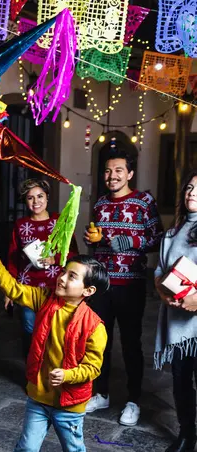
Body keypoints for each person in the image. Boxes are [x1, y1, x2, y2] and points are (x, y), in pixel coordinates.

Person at [0, 247, 109, 452]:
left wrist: (68, 375)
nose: (62, 278)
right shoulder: (44, 299)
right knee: (26, 449)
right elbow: (15, 289)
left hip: (70, 403)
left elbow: (93, 367)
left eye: (72, 276)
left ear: (87, 291)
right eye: (64, 272)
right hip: (39, 397)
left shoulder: (95, 326)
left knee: (74, 451)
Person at [84, 151, 163, 426]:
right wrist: (93, 239)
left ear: (130, 174)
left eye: (118, 170)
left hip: (130, 284)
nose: (112, 176)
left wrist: (117, 239)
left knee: (130, 343)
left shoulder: (144, 201)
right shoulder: (101, 204)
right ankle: (101, 393)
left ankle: (133, 401)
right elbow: (97, 242)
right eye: (107, 171)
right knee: (99, 343)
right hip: (102, 284)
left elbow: (156, 238)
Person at [6, 178, 78, 357]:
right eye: (30, 198)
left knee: (55, 331)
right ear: (25, 200)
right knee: (29, 330)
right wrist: (8, 290)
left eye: (40, 196)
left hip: (55, 287)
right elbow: (13, 258)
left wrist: (56, 258)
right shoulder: (20, 225)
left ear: (47, 197)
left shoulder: (60, 222)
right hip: (27, 287)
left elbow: (73, 253)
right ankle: (32, 374)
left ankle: (52, 374)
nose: (36, 201)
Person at [155, 171, 197, 452]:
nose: (192, 192)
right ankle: (186, 433)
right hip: (178, 324)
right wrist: (164, 293)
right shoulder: (172, 233)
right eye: (190, 188)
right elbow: (159, 271)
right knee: (181, 381)